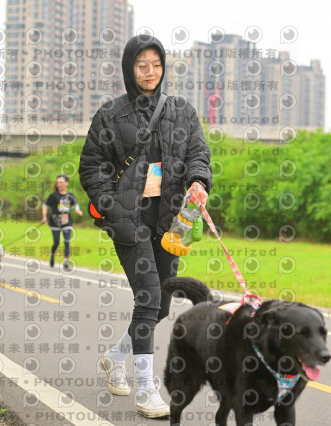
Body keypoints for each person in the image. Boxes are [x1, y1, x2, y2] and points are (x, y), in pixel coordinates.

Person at [79, 35, 212, 418]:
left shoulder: (181, 111)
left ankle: (114, 357)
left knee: (162, 305)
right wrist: (111, 206)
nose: (150, 72)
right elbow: (92, 167)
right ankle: (146, 389)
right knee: (149, 298)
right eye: (142, 65)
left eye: (156, 64)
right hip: (129, 219)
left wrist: (198, 182)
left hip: (168, 220)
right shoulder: (110, 114)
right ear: (129, 68)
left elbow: (198, 153)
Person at [41, 174, 83, 270]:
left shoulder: (70, 196)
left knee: (67, 242)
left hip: (67, 222)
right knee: (56, 243)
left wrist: (78, 211)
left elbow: (75, 204)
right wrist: (44, 217)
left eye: (61, 182)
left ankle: (66, 263)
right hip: (55, 222)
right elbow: (45, 205)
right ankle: (52, 255)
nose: (59, 184)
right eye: (58, 182)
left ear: (66, 183)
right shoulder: (53, 196)